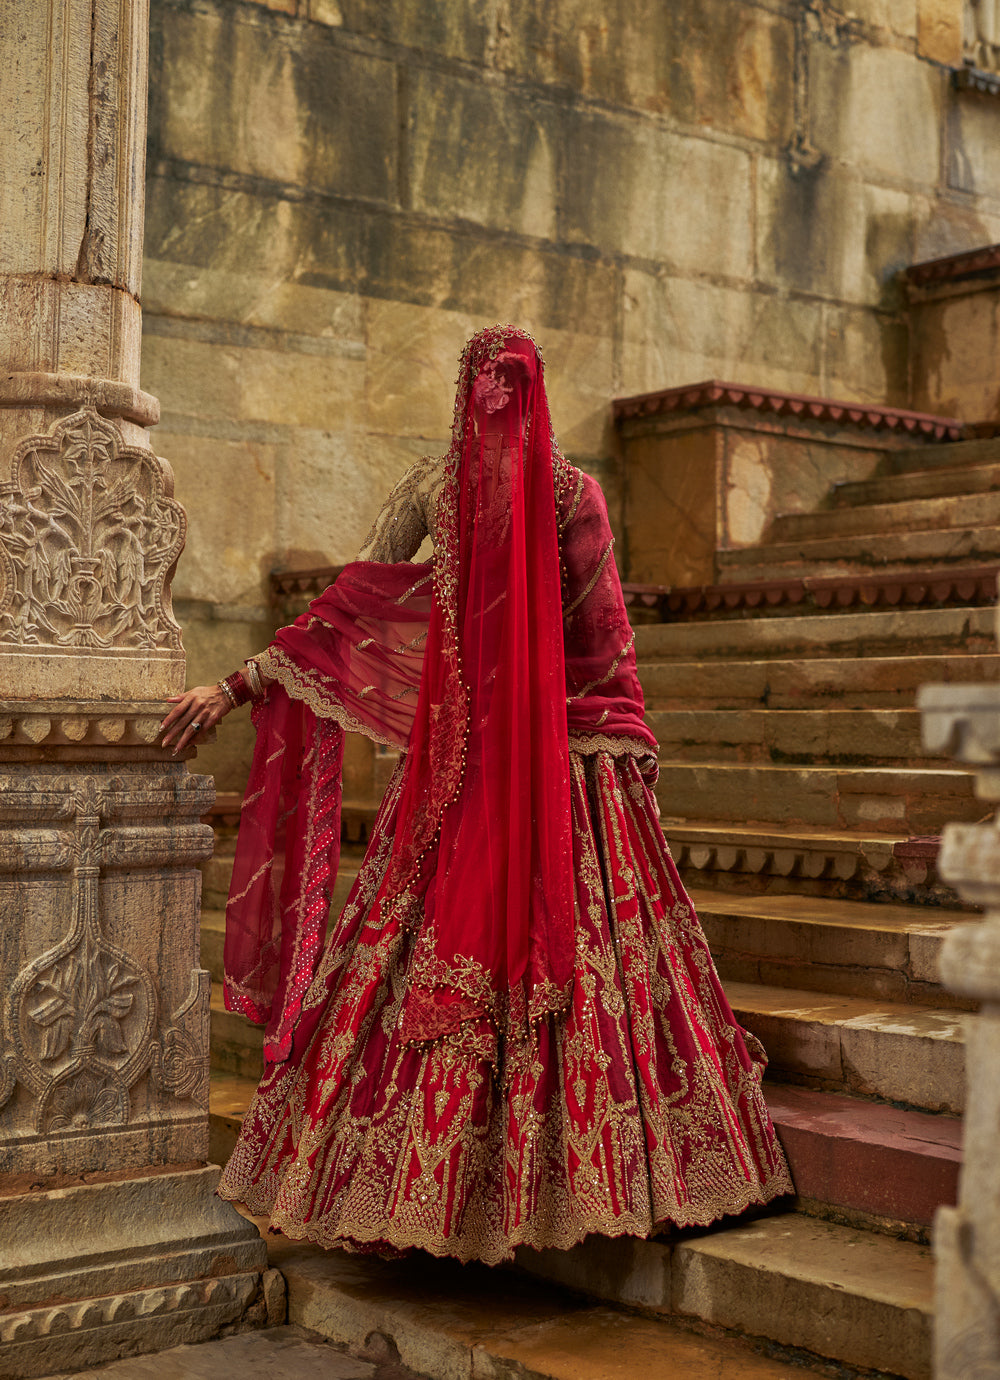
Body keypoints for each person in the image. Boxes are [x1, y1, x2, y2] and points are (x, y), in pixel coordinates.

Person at [161, 323, 792, 1265]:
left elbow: (347, 610)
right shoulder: (571, 492)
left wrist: (237, 684)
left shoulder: (438, 486)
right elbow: (605, 649)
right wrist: (626, 746)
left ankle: (429, 1191)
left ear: (467, 392)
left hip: (486, 773)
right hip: (562, 772)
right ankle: (588, 1181)